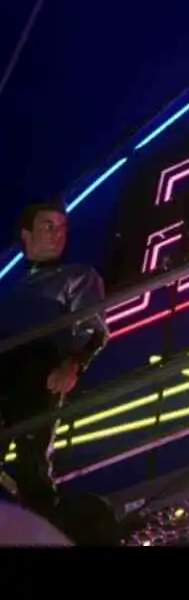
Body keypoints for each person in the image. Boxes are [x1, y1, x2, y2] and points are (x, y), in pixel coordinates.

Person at [0, 202, 109, 525]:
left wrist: (73, 364)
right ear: (26, 233)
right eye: (48, 225)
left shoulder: (78, 276)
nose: (57, 234)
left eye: (62, 227)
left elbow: (94, 329)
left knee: (32, 455)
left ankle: (43, 524)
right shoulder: (11, 284)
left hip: (37, 368)